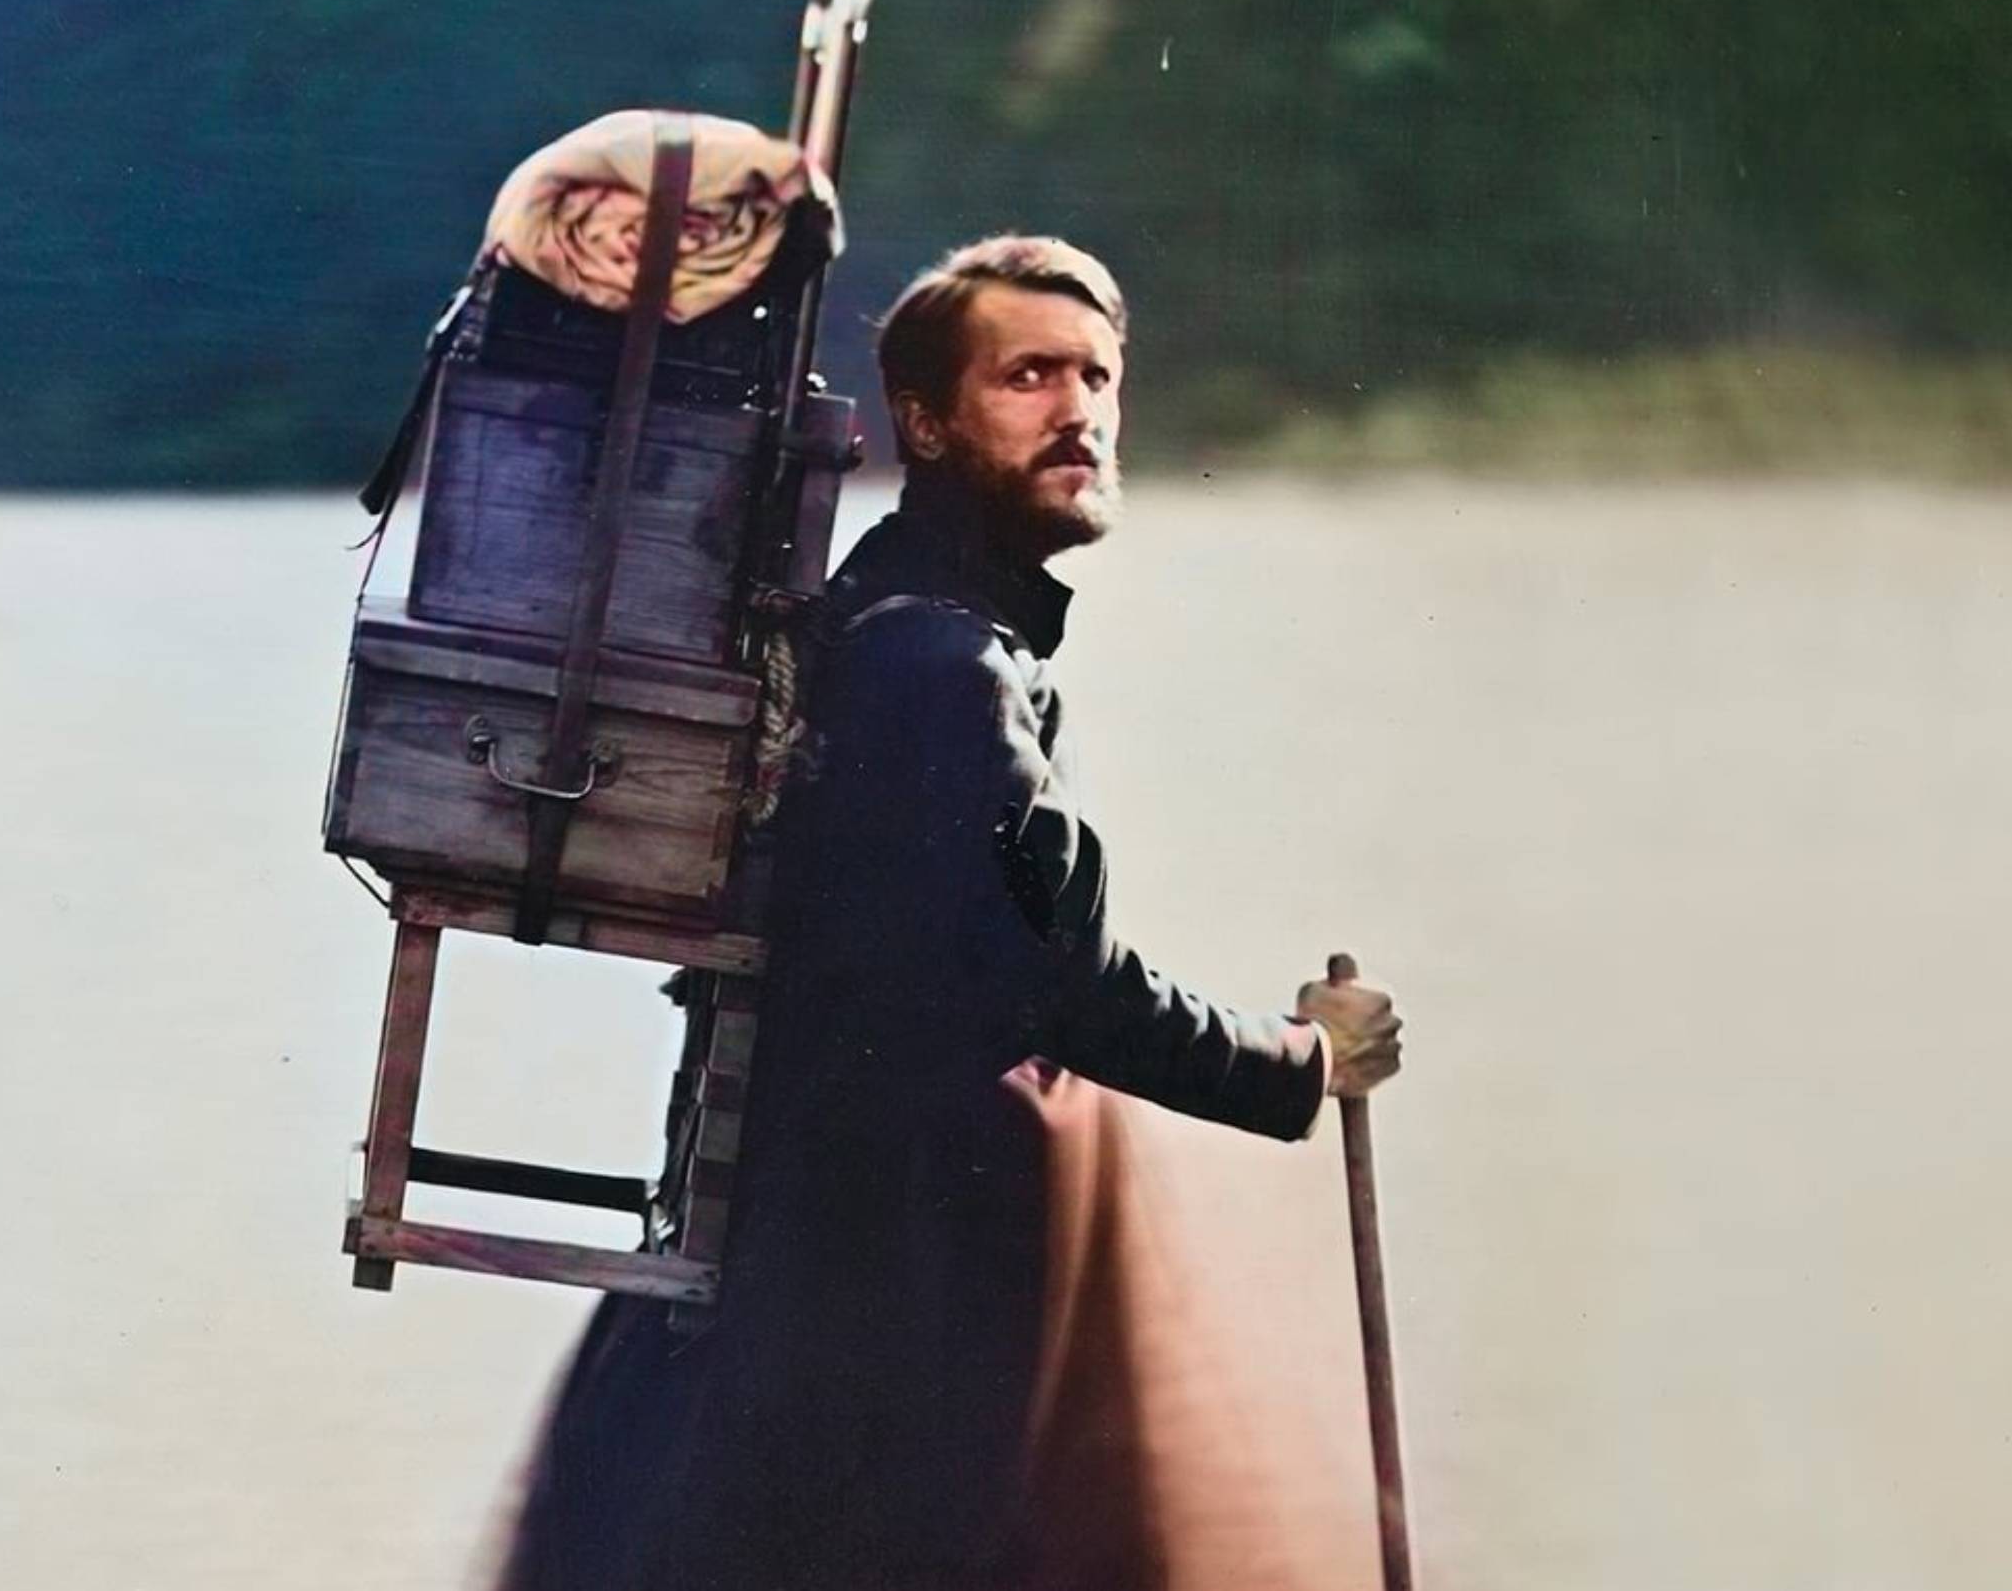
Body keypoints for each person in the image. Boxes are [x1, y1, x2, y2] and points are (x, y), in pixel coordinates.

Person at [489, 235, 1406, 1591]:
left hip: (825, 1259)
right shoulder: (941, 666)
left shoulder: (908, 617)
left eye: (1097, 378)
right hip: (875, 1305)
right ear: (923, 420)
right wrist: (1301, 1059)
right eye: (1028, 376)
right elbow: (1061, 980)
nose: (1078, 411)